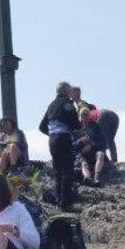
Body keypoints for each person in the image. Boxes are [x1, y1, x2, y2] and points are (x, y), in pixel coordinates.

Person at [39, 81, 81, 210]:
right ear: (66, 91)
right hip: (64, 138)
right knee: (67, 170)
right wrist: (78, 127)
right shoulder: (68, 103)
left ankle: (58, 201)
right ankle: (66, 203)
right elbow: (75, 123)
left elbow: (42, 126)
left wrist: (52, 133)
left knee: (57, 171)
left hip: (52, 140)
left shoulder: (51, 105)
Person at [75, 107, 109, 185]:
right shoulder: (76, 128)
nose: (84, 117)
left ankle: (96, 177)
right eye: (82, 115)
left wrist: (91, 145)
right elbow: (72, 144)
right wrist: (79, 141)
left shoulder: (96, 126)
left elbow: (103, 142)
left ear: (89, 115)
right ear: (79, 116)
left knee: (100, 154)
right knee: (83, 163)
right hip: (82, 154)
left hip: (95, 152)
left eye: (86, 115)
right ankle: (88, 178)